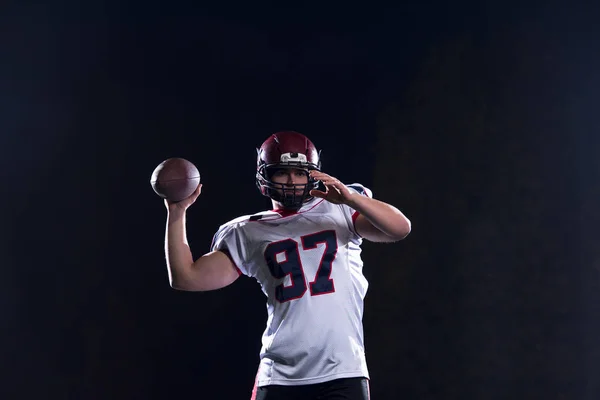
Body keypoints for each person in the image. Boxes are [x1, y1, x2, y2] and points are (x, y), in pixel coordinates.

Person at [163, 131, 411, 400]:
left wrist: (351, 199)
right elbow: (186, 278)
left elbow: (400, 229)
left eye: (300, 172)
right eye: (282, 172)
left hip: (343, 371)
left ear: (313, 174)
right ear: (265, 176)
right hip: (279, 374)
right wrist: (177, 213)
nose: (292, 181)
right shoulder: (248, 230)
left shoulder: (340, 208)